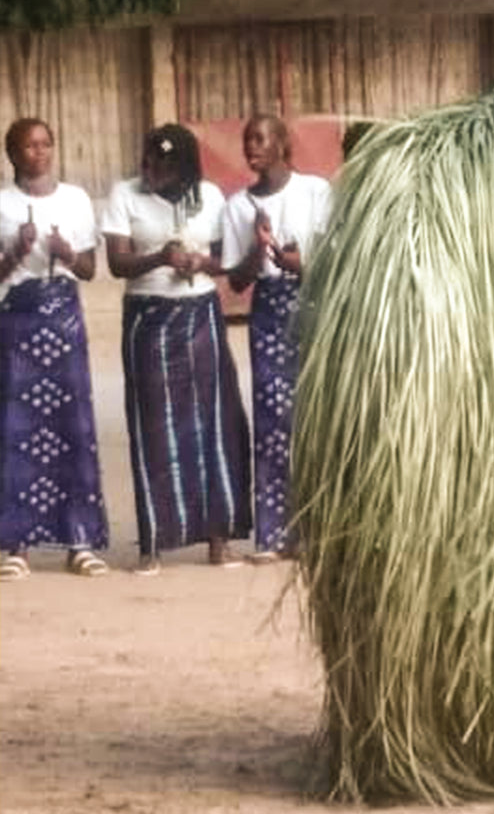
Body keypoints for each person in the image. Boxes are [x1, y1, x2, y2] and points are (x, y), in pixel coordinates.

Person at [101, 124, 251, 574]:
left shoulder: (210, 197)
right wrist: (160, 259)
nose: (149, 170)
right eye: (147, 160)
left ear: (183, 168)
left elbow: (229, 261)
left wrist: (201, 263)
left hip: (200, 315)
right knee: (154, 426)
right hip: (148, 318)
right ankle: (153, 543)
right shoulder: (124, 195)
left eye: (161, 165)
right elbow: (116, 262)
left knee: (214, 422)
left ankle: (218, 540)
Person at [0, 118, 109, 580]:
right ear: (13, 154)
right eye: (29, 146)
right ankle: (15, 545)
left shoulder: (76, 199)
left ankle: (79, 541)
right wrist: (15, 254)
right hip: (17, 320)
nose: (39, 153)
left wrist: (65, 252)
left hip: (64, 318)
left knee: (74, 425)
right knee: (15, 427)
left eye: (45, 144)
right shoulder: (2, 204)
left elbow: (88, 270)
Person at [221, 115, 330, 561]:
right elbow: (239, 281)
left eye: (261, 138)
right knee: (272, 418)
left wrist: (294, 265)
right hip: (267, 310)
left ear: (283, 144)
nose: (251, 146)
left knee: (316, 416)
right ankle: (274, 534)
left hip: (312, 303)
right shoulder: (236, 206)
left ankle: (321, 531)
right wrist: (256, 247)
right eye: (247, 139)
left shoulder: (315, 192)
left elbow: (327, 259)